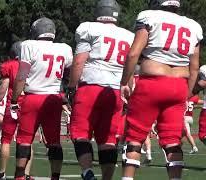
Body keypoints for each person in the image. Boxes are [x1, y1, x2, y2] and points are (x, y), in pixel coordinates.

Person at [120, 0, 202, 179]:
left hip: (152, 82)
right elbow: (194, 67)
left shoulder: (149, 17)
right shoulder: (193, 25)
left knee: (135, 137)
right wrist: (186, 93)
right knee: (173, 139)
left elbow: (134, 53)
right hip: (179, 84)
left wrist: (124, 81)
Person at [66, 0, 134, 179]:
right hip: (115, 91)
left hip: (91, 86)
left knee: (81, 133)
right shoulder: (128, 35)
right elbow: (131, 67)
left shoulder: (89, 28)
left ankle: (87, 172)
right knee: (108, 139)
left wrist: (72, 87)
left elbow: (79, 60)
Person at [11, 17, 73, 180]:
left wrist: (14, 99)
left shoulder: (29, 46)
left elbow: (22, 75)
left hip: (33, 97)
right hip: (53, 99)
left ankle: (19, 176)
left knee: (24, 140)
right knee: (54, 141)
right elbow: (69, 74)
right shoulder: (64, 48)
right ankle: (55, 177)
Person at [0, 41, 35, 180]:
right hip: (29, 104)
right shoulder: (32, 64)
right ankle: (26, 173)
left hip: (14, 104)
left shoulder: (8, 65)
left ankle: (2, 172)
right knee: (28, 141)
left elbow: (4, 87)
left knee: (6, 140)